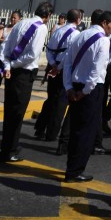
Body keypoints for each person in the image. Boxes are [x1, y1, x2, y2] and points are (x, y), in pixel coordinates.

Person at [62, 8, 111, 182]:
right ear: (104, 23)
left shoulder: (79, 35)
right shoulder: (103, 40)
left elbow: (68, 64)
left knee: (76, 128)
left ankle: (71, 166)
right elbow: (97, 69)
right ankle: (76, 170)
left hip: (75, 86)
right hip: (90, 90)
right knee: (86, 131)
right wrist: (84, 92)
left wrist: (69, 87)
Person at [0, 1, 53, 163]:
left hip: (12, 71)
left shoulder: (21, 23)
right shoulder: (41, 27)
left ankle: (6, 147)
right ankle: (9, 151)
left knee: (10, 111)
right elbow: (33, 54)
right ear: (48, 16)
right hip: (23, 73)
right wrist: (12, 65)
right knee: (17, 113)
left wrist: (8, 65)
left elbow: (5, 47)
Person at [33, 9, 81, 141]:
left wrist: (53, 64)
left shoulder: (58, 30)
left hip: (52, 65)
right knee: (60, 102)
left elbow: (49, 50)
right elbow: (69, 55)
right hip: (63, 69)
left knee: (50, 98)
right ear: (78, 20)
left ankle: (40, 128)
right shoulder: (76, 34)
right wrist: (58, 68)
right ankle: (51, 133)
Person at [0, 10, 22, 101]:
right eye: (11, 17)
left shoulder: (19, 29)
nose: (12, 19)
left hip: (10, 56)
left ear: (19, 19)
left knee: (9, 76)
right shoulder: (5, 27)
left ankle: (9, 98)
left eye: (15, 18)